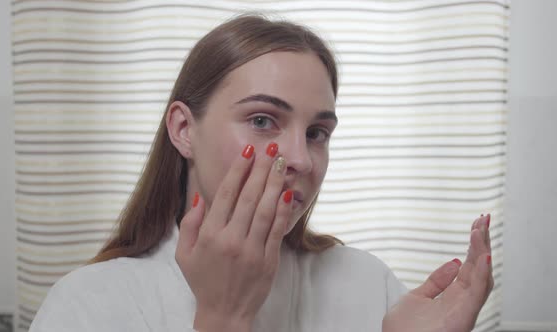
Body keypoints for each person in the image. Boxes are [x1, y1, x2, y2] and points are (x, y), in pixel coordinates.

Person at [29, 14, 493, 332]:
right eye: (262, 121)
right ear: (184, 129)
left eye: (317, 132)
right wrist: (222, 320)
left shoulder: (366, 282)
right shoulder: (86, 306)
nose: (301, 159)